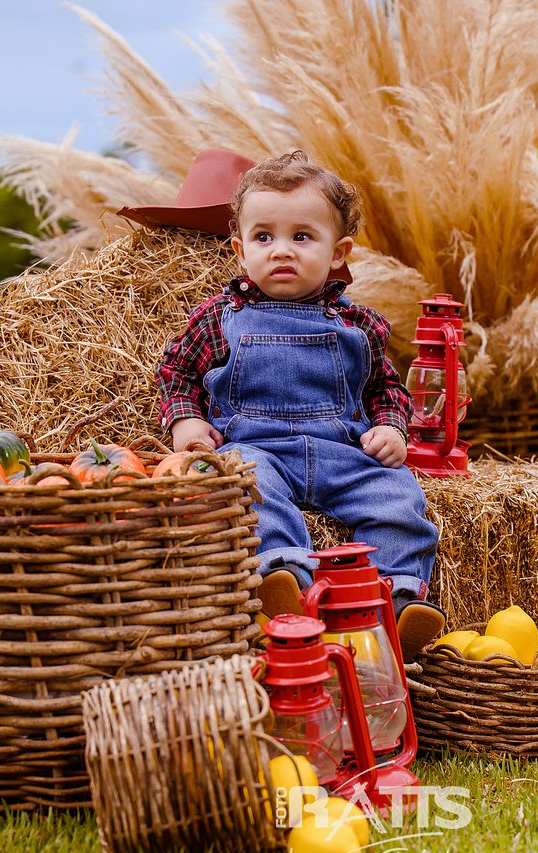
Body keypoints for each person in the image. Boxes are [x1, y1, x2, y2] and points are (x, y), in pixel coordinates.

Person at [153, 149, 444, 658]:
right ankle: (284, 575)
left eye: (302, 237)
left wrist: (392, 428)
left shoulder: (359, 325)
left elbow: (385, 389)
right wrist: (187, 422)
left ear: (338, 252)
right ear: (241, 250)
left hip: (343, 455)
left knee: (398, 498)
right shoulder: (220, 317)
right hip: (258, 448)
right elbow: (177, 373)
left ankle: (396, 598)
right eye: (264, 237)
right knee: (248, 486)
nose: (281, 251)